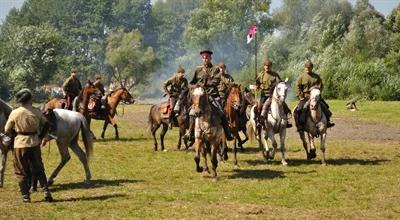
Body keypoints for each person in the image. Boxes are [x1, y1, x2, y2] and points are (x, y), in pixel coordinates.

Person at [4, 89, 53, 203]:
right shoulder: (36, 111)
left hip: (20, 144)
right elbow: (46, 124)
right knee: (39, 168)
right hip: (35, 143)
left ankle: (25, 196)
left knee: (21, 170)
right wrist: (41, 137)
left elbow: (7, 129)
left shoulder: (15, 112)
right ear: (30, 99)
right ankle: (46, 191)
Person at [185, 50, 234, 142]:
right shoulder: (198, 69)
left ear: (210, 58)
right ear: (201, 59)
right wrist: (196, 87)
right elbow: (191, 83)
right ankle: (190, 133)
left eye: (207, 58)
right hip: (200, 96)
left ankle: (228, 133)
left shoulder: (215, 69)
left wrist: (206, 84)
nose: (205, 59)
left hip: (212, 95)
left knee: (221, 112)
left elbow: (217, 80)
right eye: (203, 58)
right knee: (191, 112)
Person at [295, 60, 335, 131]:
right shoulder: (301, 77)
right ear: (304, 68)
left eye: (309, 67)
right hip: (305, 97)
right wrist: (300, 96)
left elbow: (321, 86)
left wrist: (318, 93)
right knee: (299, 109)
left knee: (325, 106)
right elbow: (298, 87)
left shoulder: (316, 77)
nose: (308, 69)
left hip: (316, 97)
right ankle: (300, 125)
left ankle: (327, 122)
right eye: (306, 67)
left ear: (312, 67)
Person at [256, 58, 292, 128]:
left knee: (284, 106)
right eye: (266, 66)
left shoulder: (275, 75)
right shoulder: (261, 75)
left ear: (271, 66)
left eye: (269, 66)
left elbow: (280, 84)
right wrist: (258, 86)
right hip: (264, 95)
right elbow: (257, 84)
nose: (267, 67)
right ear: (264, 66)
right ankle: (259, 121)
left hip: (273, 95)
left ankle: (286, 121)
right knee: (260, 107)